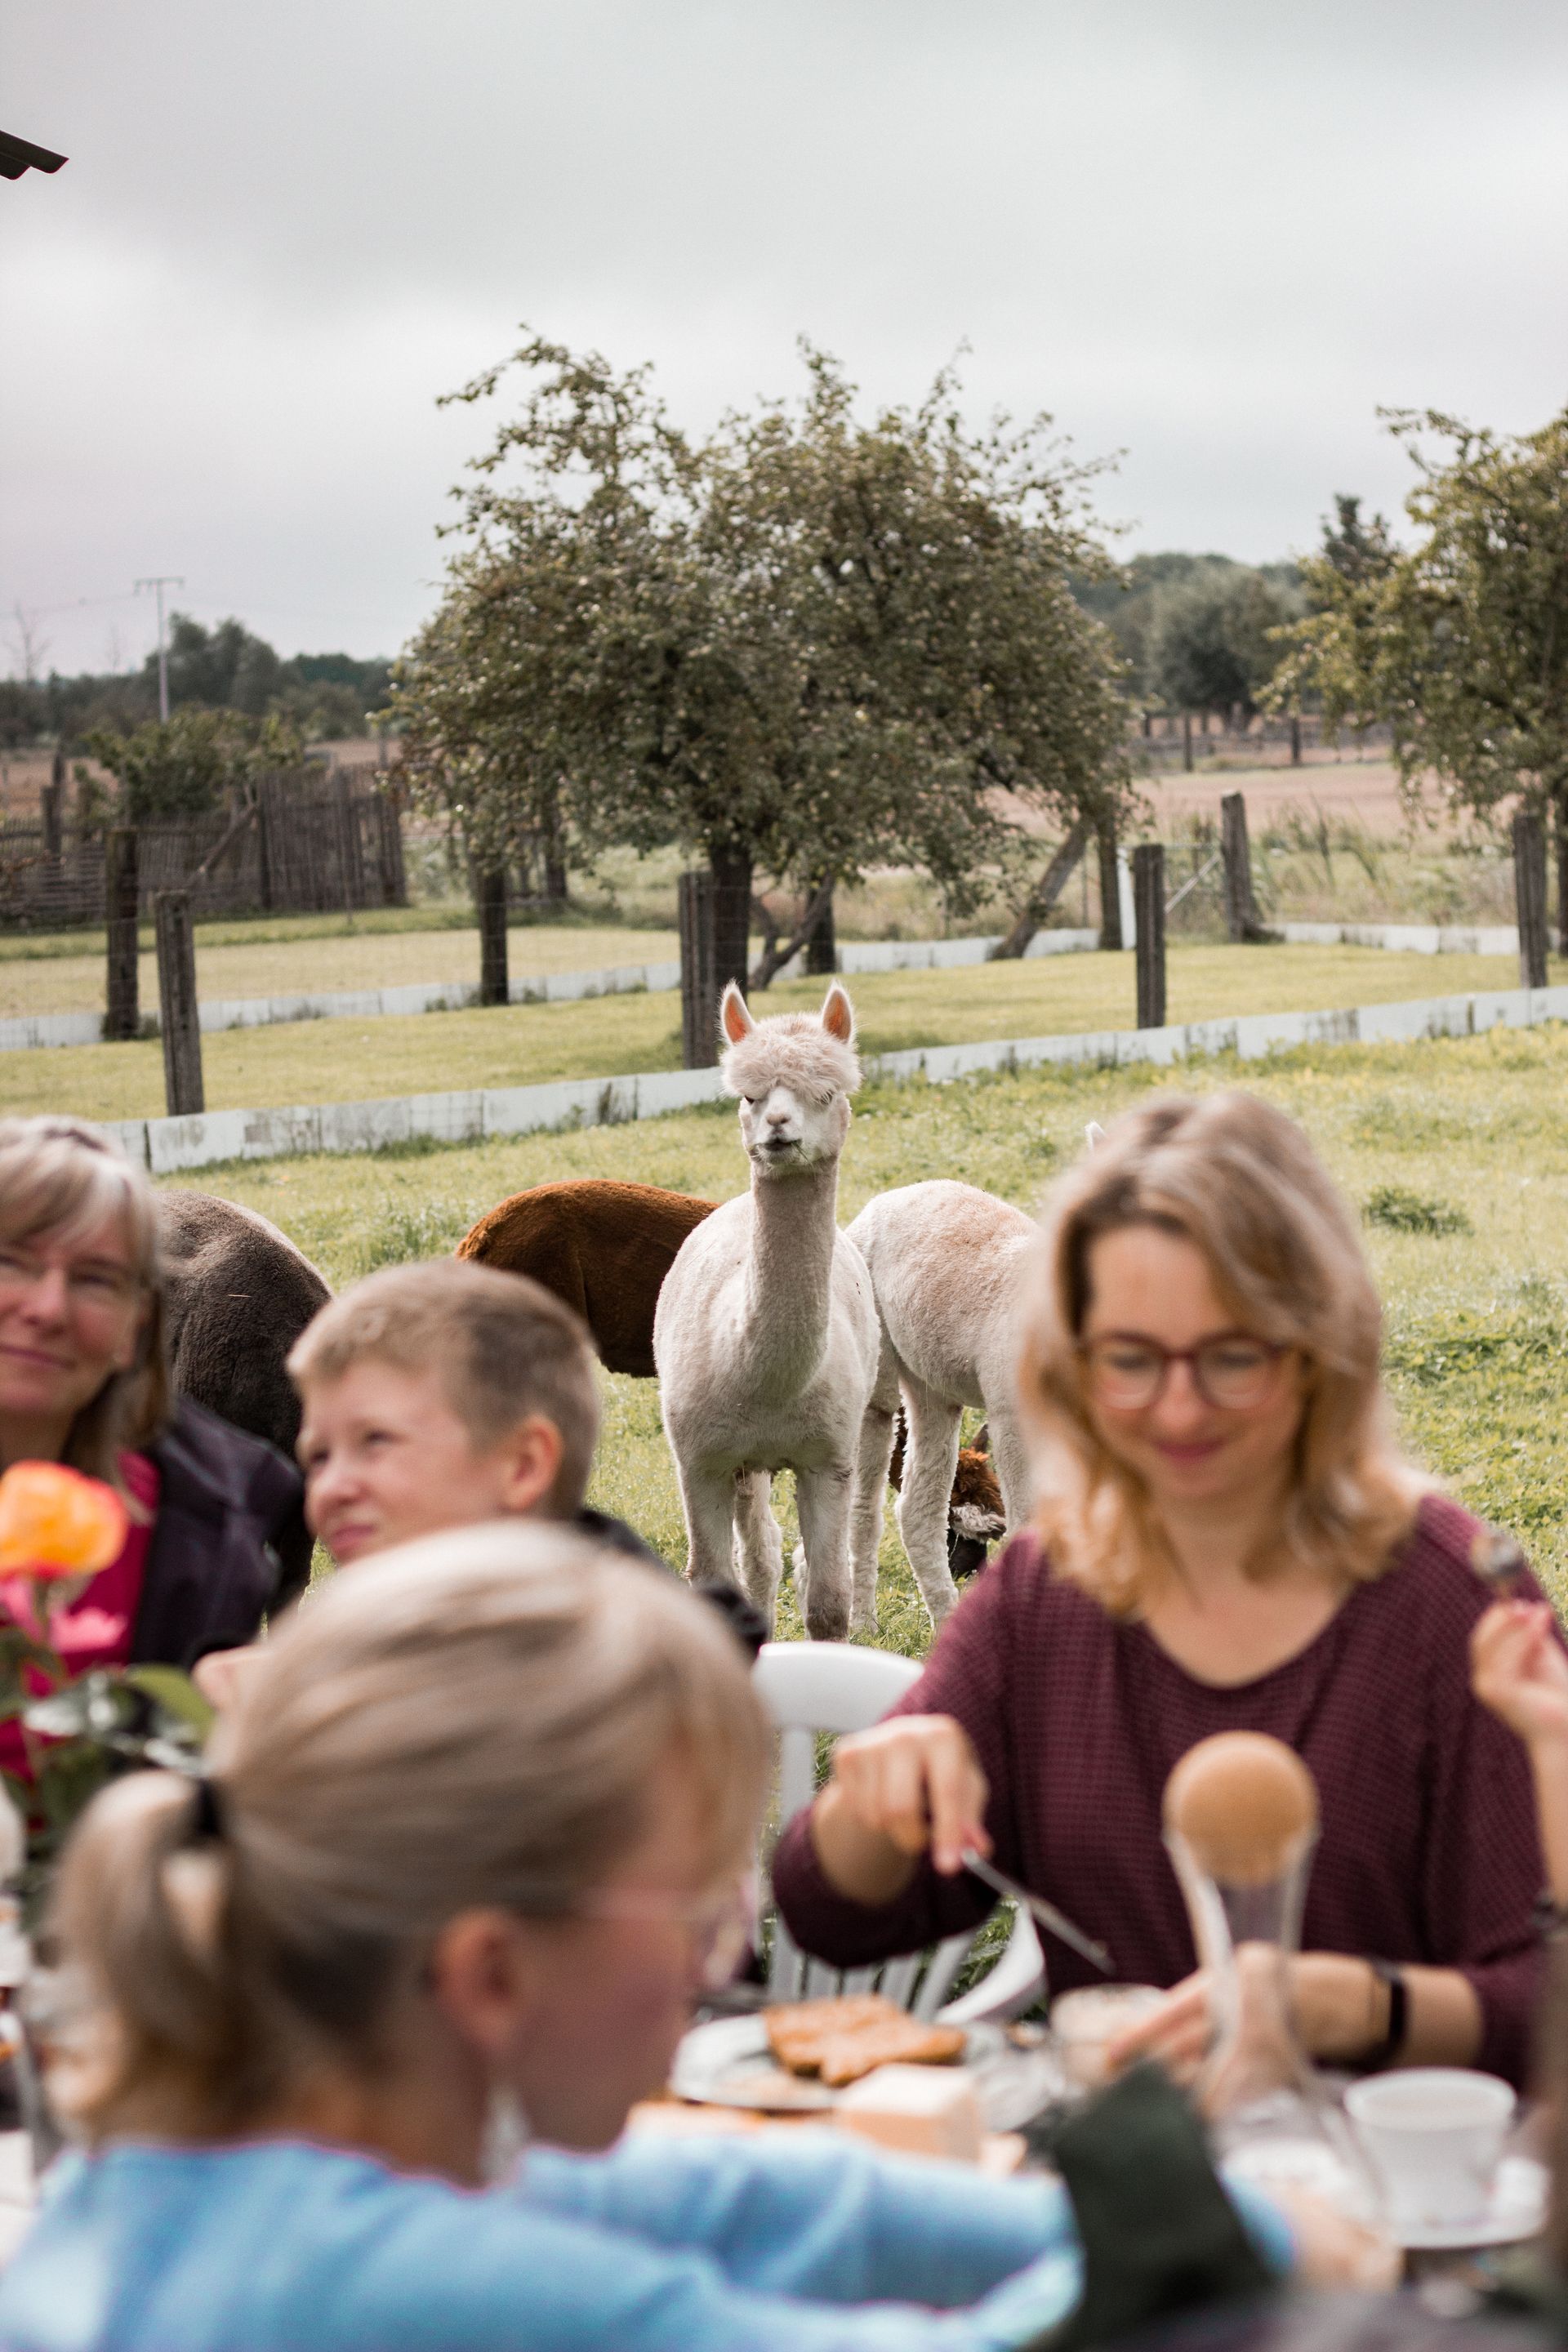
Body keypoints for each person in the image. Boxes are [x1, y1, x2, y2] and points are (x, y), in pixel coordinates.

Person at [0, 1524, 1304, 2351]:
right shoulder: (437, 2295)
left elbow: (750, 2204)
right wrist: (1222, 2241)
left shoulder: (275, 2164)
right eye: (696, 1912)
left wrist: (1217, 2219)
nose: (718, 1962)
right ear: (492, 1974)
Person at [773, 1090, 1548, 2087]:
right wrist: (867, 1810)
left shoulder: (1455, 1605)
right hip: (1131, 2160)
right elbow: (826, 1916)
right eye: (1130, 1359)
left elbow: (1544, 1997)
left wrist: (1348, 2007)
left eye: (1233, 1355)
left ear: (1326, 1352)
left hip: (1397, 2167)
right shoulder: (1046, 1597)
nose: (1178, 1411)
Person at [194, 1258, 763, 1705]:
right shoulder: (374, 1625)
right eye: (318, 1457)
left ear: (521, 1468)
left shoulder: (606, 1642)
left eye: (376, 1442)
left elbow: (717, 1637)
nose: (330, 1488)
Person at [0, 1116, 299, 1737]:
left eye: (94, 1279)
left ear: (137, 1323)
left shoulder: (210, 1535)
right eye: (10, 1263)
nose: (48, 1308)